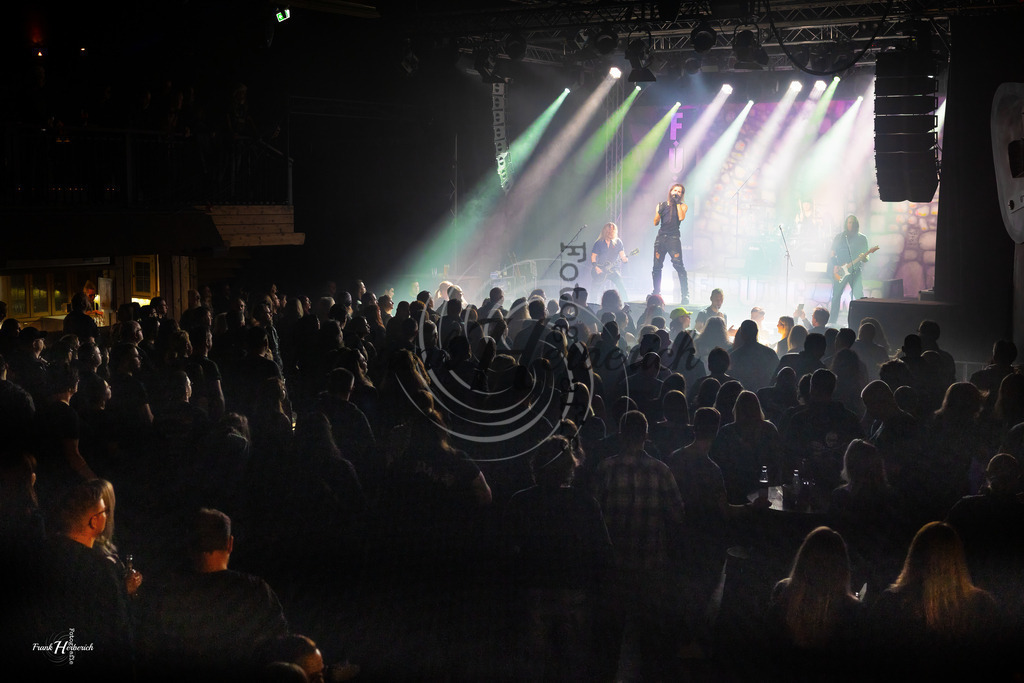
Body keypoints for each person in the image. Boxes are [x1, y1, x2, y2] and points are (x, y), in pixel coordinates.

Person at [828, 214, 871, 322]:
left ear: (856, 224)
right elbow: (832, 253)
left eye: (853, 222)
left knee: (859, 296)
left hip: (856, 271)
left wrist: (864, 257)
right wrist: (836, 265)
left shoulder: (862, 238)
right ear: (846, 224)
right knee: (836, 296)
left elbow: (867, 258)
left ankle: (863, 320)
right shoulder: (839, 237)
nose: (851, 224)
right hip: (841, 270)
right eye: (849, 222)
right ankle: (832, 322)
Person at [651, 182, 689, 303]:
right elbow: (655, 222)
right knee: (657, 267)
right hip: (661, 238)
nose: (676, 193)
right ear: (670, 192)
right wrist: (659, 212)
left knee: (679, 266)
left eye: (679, 192)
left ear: (681, 194)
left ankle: (685, 295)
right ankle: (656, 292)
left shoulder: (683, 206)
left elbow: (681, 217)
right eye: (675, 191)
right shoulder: (661, 205)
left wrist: (677, 203)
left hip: (673, 239)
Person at [591, 221, 630, 300]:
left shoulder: (618, 242)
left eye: (613, 231)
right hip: (601, 269)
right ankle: (592, 306)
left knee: (622, 288)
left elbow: (622, 255)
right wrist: (596, 267)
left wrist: (625, 259)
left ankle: (627, 305)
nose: (612, 232)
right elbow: (593, 257)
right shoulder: (599, 243)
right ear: (605, 231)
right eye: (610, 231)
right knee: (594, 290)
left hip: (614, 269)